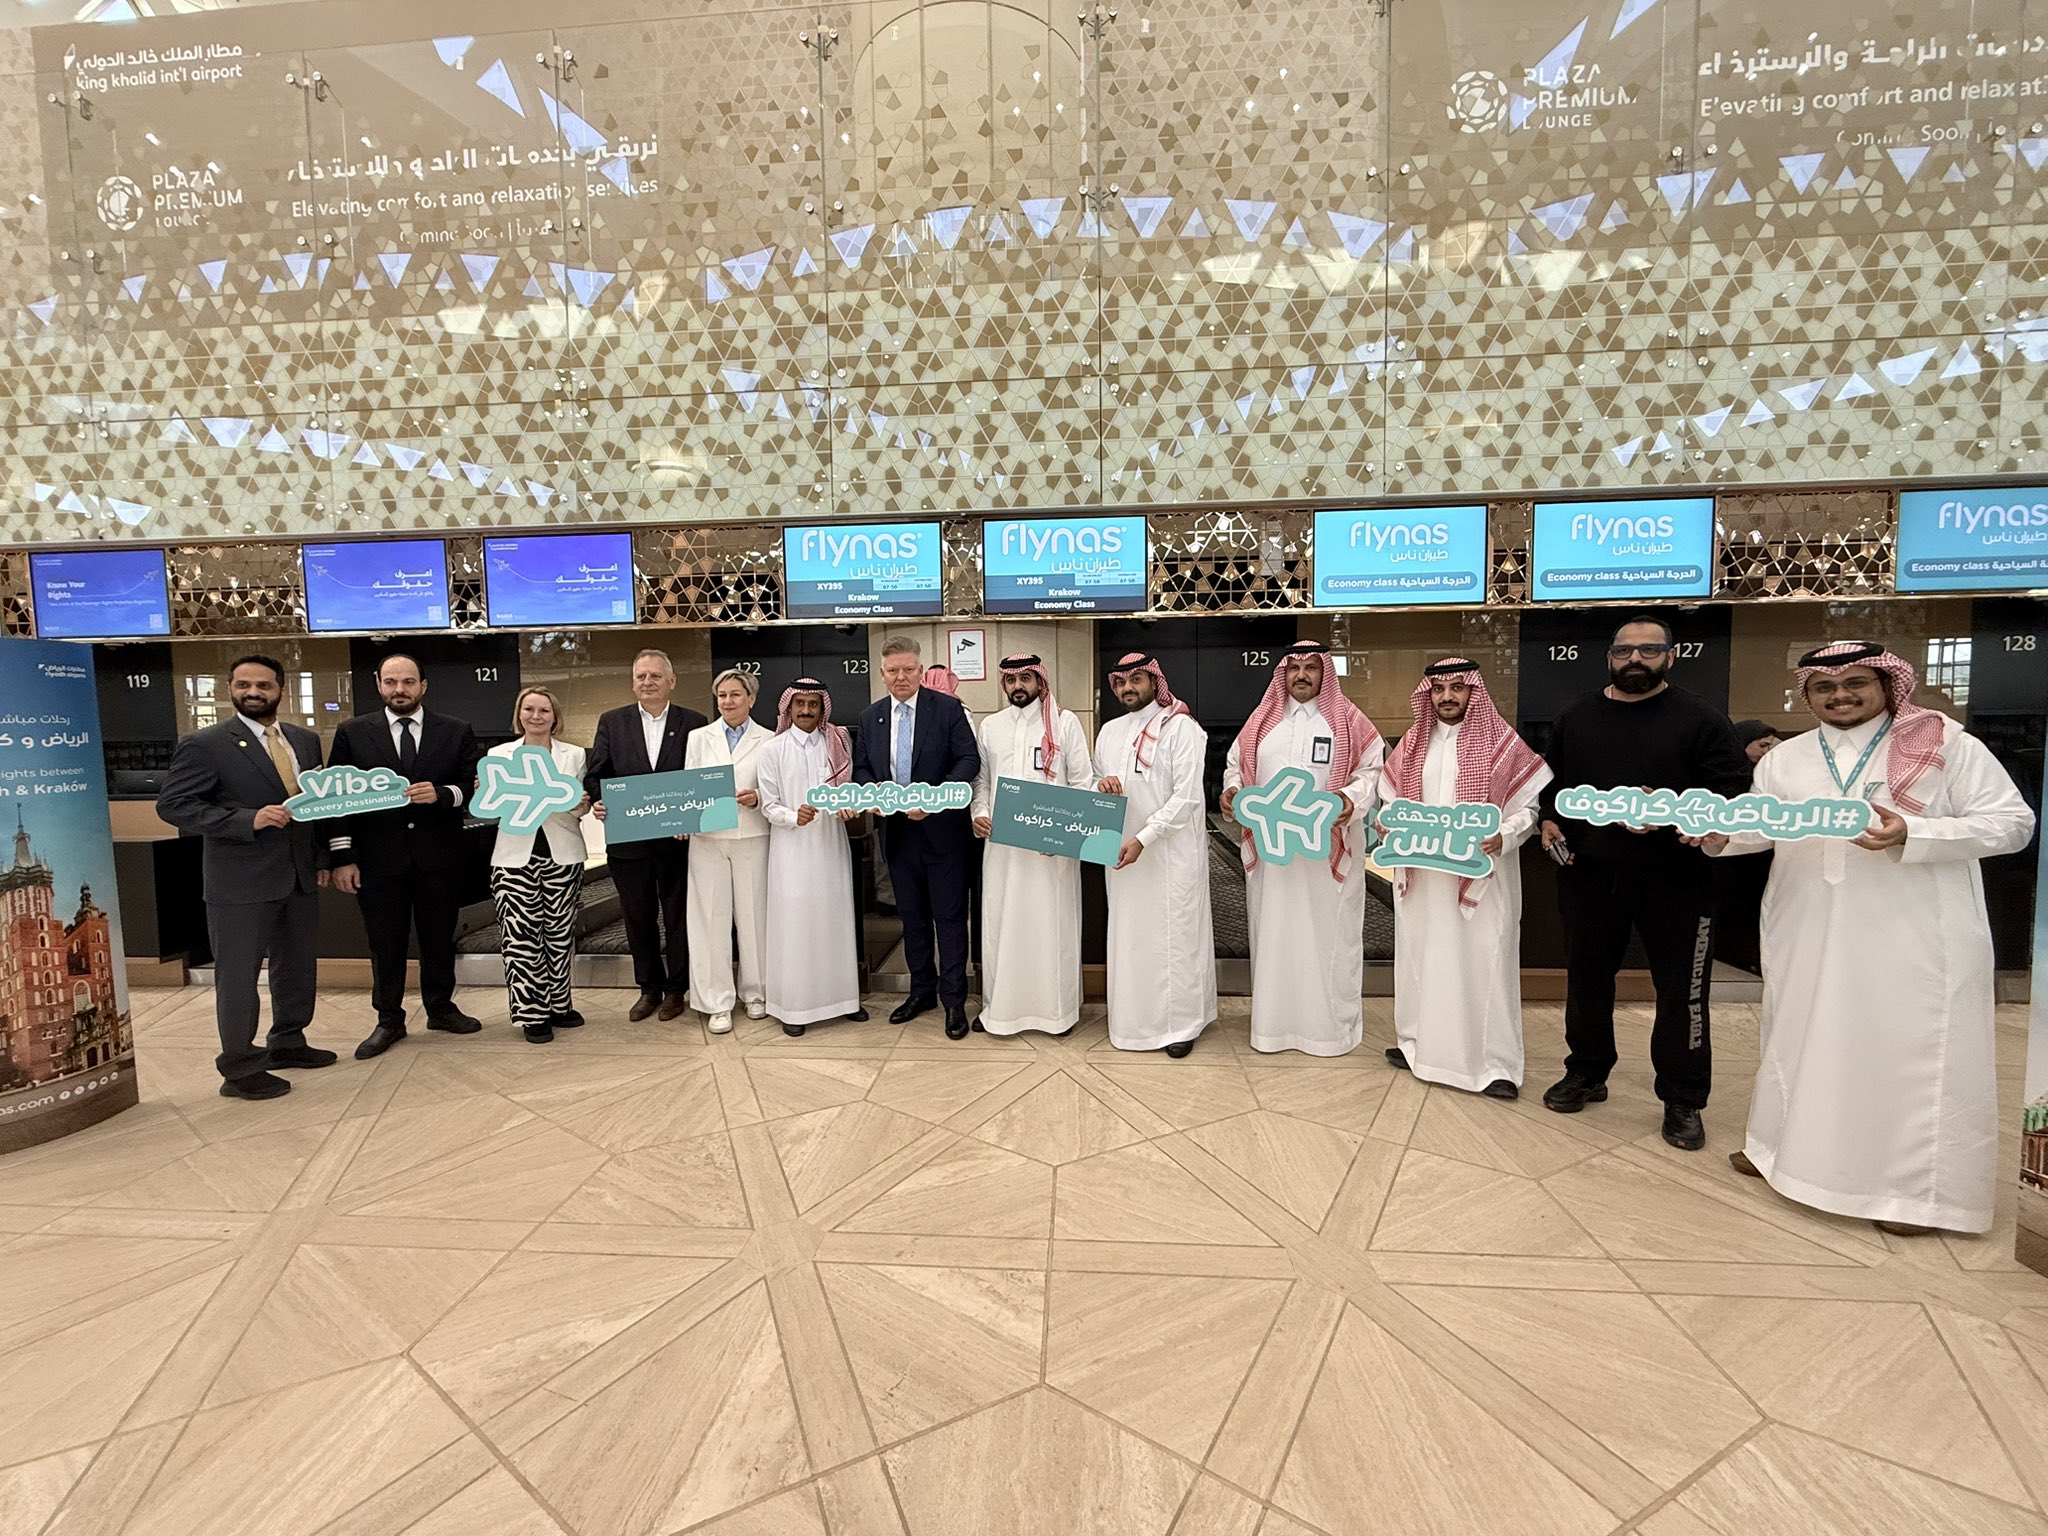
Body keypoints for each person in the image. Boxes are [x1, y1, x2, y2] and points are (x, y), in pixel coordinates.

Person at [1699, 642, 2034, 1235]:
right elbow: (1765, 823)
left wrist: (1914, 831)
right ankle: (1779, 1150)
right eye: (1824, 687)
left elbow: (2013, 824)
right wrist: (1719, 836)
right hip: (1807, 923)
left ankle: (1914, 1195)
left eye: (1855, 683)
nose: (1840, 695)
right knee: (1797, 1033)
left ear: (1886, 685)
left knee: (1901, 1050)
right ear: (1807, 695)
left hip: (1913, 932)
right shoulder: (1787, 757)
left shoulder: (1944, 744)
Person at [1537, 615, 1751, 1150]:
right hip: (1590, 875)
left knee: (1682, 992)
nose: (1635, 659)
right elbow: (1552, 785)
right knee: (1587, 981)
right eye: (1624, 651)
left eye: (1649, 650)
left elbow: (1733, 790)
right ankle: (1587, 1071)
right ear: (1609, 657)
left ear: (1670, 657)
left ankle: (1683, 1097)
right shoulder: (1576, 717)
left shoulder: (1701, 718)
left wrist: (1677, 808)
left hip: (1679, 878)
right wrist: (1549, 820)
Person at [155, 655, 337, 1100]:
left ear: (281, 690)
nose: (253, 692)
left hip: (298, 876)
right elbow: (174, 805)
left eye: (263, 685)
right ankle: (238, 1067)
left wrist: (321, 859)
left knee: (296, 967)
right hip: (239, 882)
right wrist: (245, 820)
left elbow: (314, 808)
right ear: (230, 688)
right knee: (238, 977)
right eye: (243, 685)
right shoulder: (205, 744)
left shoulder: (304, 741)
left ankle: (288, 1041)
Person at [1378, 659, 1551, 1098]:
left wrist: (1504, 835)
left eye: (1457, 688)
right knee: (1421, 957)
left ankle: (1494, 1065)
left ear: (1474, 692)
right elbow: (1390, 801)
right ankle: (1417, 1045)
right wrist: (1388, 822)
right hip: (1424, 879)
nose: (1447, 697)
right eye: (1439, 689)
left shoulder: (1502, 744)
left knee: (1484, 963)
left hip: (1482, 877)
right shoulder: (1412, 744)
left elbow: (1527, 810)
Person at [1220, 639, 1384, 1056]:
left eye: (1311, 667)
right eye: (1294, 668)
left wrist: (1350, 800)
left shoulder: (1349, 721)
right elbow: (1236, 765)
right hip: (1273, 858)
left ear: (1324, 672)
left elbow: (1372, 770)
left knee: (1328, 938)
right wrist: (1232, 790)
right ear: (1284, 674)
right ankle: (1272, 1028)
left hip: (1325, 855)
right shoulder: (1262, 721)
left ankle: (1329, 1032)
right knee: (1273, 935)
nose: (1302, 675)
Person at [327, 654, 484, 1059]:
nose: (400, 690)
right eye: (391, 682)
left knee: (439, 939)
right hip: (378, 861)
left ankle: (440, 1008)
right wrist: (342, 857)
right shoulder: (352, 733)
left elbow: (475, 787)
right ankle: (388, 1019)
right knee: (385, 943)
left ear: (423, 686)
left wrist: (443, 794)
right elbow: (336, 799)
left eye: (408, 682)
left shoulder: (456, 730)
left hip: (440, 859)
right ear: (379, 685)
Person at [854, 636, 981, 1039]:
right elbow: (861, 768)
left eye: (909, 669)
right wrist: (872, 793)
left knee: (950, 919)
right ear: (882, 674)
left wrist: (937, 798)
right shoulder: (871, 716)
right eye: (893, 670)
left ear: (921, 671)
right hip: (897, 836)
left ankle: (954, 1000)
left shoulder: (947, 709)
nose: (901, 676)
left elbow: (969, 759)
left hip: (944, 834)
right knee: (912, 919)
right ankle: (921, 992)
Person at [1094, 652, 1216, 1056]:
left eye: (1137, 679)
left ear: (1154, 682)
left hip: (1170, 857)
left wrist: (1145, 838)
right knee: (1131, 939)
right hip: (1122, 855)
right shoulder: (1109, 731)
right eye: (1121, 682)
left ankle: (1181, 1025)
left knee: (1175, 938)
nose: (1128, 688)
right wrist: (1100, 785)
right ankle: (1132, 1020)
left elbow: (1187, 798)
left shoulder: (1181, 728)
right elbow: (1095, 780)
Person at [971, 654, 1096, 1037]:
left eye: (1025, 678)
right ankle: (1000, 1010)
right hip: (1003, 849)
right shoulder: (991, 726)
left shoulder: (1065, 722)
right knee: (1001, 924)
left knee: (1051, 927)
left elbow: (1083, 782)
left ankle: (1057, 1014)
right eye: (1011, 680)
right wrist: (979, 812)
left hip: (1051, 851)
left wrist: (1065, 834)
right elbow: (982, 781)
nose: (1018, 686)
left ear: (1040, 681)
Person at [587, 649, 708, 1022]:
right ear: (633, 682)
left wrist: (694, 814)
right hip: (629, 842)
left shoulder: (695, 722)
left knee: (678, 918)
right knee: (637, 917)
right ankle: (649, 989)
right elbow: (596, 775)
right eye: (641, 676)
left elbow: (703, 777)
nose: (647, 682)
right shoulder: (612, 722)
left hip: (679, 842)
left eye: (655, 675)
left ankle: (676, 990)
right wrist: (601, 800)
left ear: (671, 681)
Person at [757, 679, 868, 1037]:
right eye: (799, 704)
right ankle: (794, 1007)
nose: (806, 710)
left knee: (835, 921)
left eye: (813, 704)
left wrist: (850, 806)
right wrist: (794, 817)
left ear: (822, 708)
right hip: (791, 851)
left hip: (831, 846)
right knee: (796, 926)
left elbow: (848, 791)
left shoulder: (837, 742)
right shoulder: (772, 750)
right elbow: (768, 804)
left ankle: (844, 1001)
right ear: (788, 708)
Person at [483, 687, 589, 1045]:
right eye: (529, 709)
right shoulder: (499, 756)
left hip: (563, 854)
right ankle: (532, 1013)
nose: (536, 716)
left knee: (559, 935)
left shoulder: (574, 755)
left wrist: (579, 802)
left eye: (544, 710)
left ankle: (559, 1005)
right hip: (513, 858)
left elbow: (580, 807)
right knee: (520, 938)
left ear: (555, 716)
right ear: (519, 714)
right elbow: (492, 805)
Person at [684, 669, 774, 1035]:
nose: (727, 701)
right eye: (722, 695)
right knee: (709, 920)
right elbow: (688, 784)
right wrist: (684, 817)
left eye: (735, 694)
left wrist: (758, 798)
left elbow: (775, 788)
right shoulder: (698, 738)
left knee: (755, 919)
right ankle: (716, 1002)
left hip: (752, 834)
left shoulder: (769, 739)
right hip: (707, 839)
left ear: (751, 699)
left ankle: (757, 993)